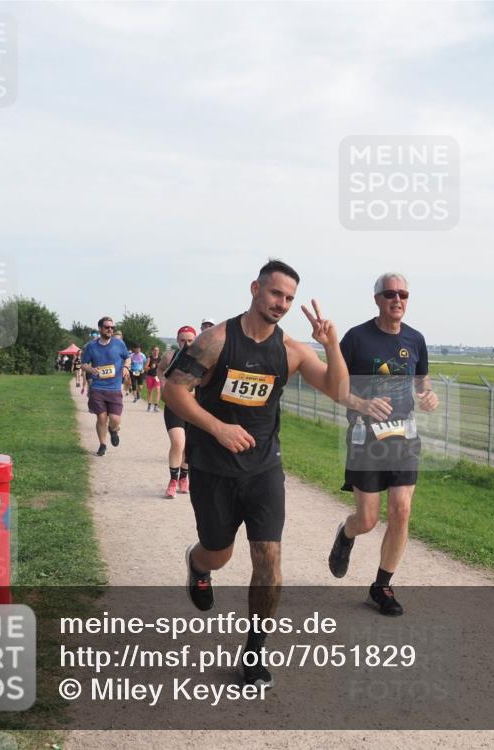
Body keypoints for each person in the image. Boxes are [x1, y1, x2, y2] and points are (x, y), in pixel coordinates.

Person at [163, 259, 347, 690]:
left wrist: (332, 345)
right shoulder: (215, 340)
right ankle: (198, 564)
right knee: (218, 552)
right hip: (213, 467)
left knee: (269, 559)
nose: (281, 303)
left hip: (263, 469)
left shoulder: (292, 350)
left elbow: (338, 390)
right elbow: (174, 390)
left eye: (289, 298)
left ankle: (254, 652)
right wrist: (218, 428)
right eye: (275, 293)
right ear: (255, 289)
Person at [327, 272, 439, 616]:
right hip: (366, 438)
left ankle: (382, 586)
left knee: (401, 510)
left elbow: (421, 380)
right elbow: (334, 386)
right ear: (377, 299)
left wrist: (428, 395)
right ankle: (347, 533)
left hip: (404, 437)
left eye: (403, 294)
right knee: (367, 519)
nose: (397, 299)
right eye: (390, 294)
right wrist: (362, 404)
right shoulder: (356, 338)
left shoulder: (415, 339)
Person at [80, 316, 131, 457]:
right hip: (98, 387)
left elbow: (127, 357)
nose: (110, 330)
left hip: (114, 388)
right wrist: (91, 370)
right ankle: (102, 444)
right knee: (101, 417)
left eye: (112, 327)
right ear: (100, 328)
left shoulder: (119, 344)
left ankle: (113, 430)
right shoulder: (91, 346)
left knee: (115, 419)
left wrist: (126, 367)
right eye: (107, 327)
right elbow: (83, 364)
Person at [157, 326, 197, 498]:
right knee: (178, 442)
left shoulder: (203, 358)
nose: (186, 344)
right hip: (174, 406)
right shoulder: (169, 356)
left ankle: (183, 478)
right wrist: (163, 382)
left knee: (189, 445)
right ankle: (173, 480)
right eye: (182, 340)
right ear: (177, 340)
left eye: (190, 340)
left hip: (194, 408)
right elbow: (160, 369)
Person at [144, 345, 162, 412]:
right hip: (150, 376)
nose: (156, 351)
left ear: (159, 351)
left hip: (157, 377)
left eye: (157, 350)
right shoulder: (149, 358)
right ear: (152, 351)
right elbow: (145, 368)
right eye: (155, 350)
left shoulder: (160, 359)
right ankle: (149, 405)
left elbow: (162, 368)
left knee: (158, 390)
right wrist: (150, 367)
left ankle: (155, 406)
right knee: (150, 391)